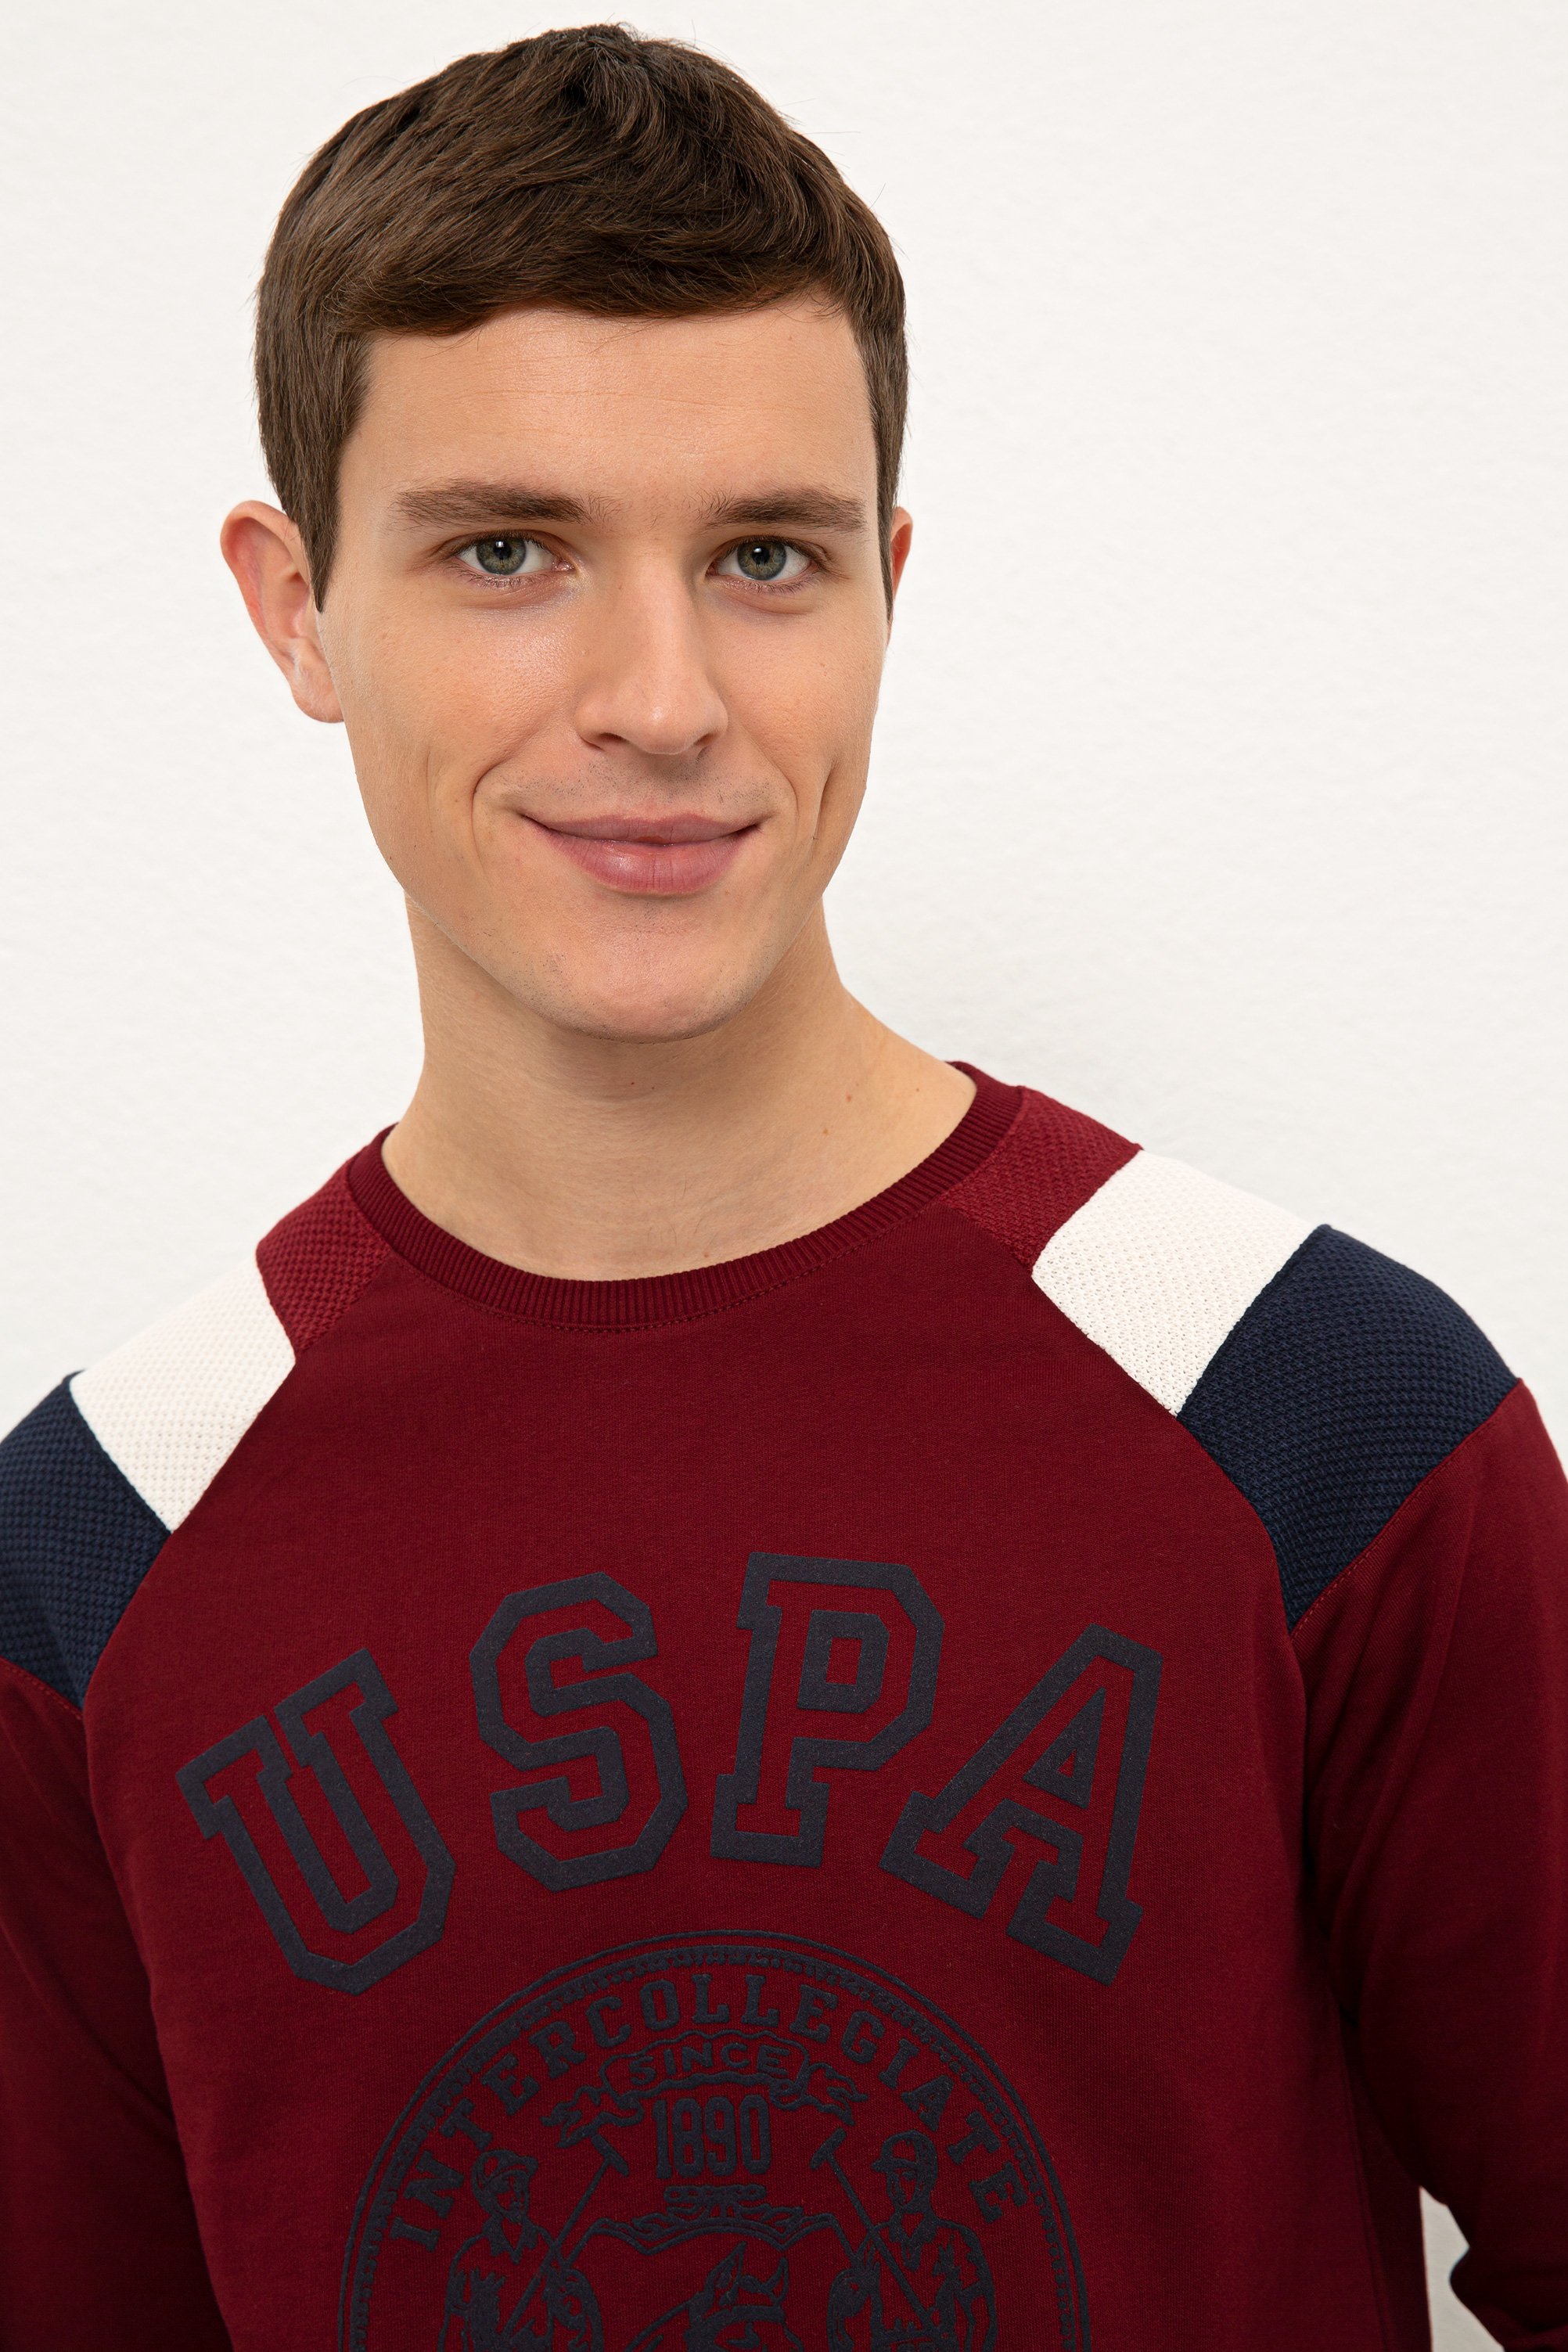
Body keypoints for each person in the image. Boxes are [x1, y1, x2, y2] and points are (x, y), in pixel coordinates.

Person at [0, 24, 1563, 2352]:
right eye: (508, 551)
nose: (661, 698)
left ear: (884, 588)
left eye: (763, 558)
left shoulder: (1322, 1423)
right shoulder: (89, 1552)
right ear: (296, 603)